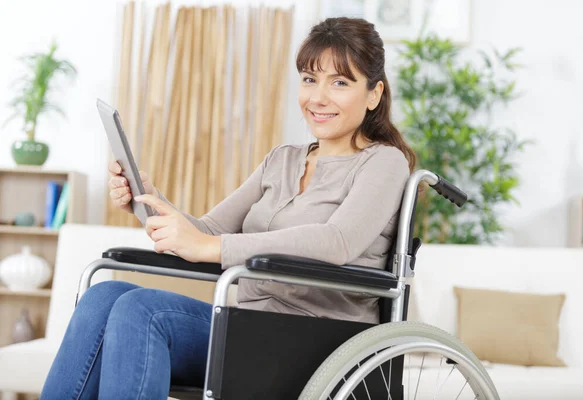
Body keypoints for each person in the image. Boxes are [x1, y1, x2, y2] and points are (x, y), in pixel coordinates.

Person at [40, 16, 416, 400]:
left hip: (320, 341)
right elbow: (207, 229)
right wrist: (149, 199)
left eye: (339, 82)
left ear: (373, 94)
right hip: (250, 329)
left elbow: (337, 241)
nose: (317, 98)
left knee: (143, 309)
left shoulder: (384, 162)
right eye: (308, 79)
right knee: (102, 297)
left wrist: (216, 248)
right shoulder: (281, 160)